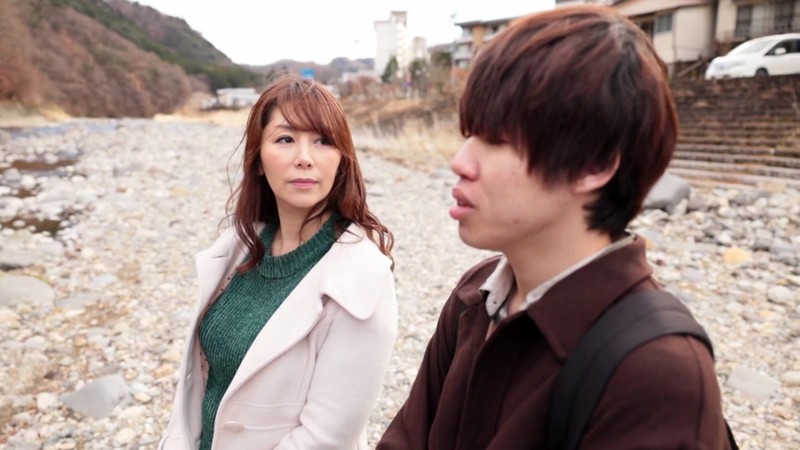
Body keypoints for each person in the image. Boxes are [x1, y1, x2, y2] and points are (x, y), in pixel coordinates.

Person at [378, 5, 732, 449]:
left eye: (496, 140)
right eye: (469, 134)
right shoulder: (477, 295)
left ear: (594, 164)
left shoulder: (657, 371)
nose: (460, 161)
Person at [159, 76, 397, 450]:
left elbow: (326, 438)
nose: (305, 157)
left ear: (341, 159)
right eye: (285, 139)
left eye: (323, 140)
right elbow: (195, 389)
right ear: (257, 159)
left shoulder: (361, 278)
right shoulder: (237, 250)